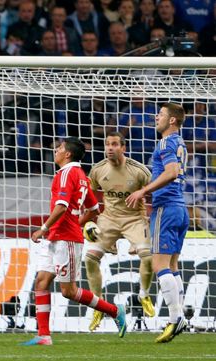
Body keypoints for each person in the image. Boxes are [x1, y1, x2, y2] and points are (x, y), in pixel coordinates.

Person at [24, 137, 126, 346]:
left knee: (68, 291)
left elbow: (61, 206)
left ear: (67, 154)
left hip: (66, 239)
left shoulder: (66, 174)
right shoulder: (81, 176)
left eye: (59, 148)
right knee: (41, 282)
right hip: (59, 236)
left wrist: (43, 229)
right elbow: (94, 209)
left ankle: (115, 311)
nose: (56, 150)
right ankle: (44, 335)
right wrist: (75, 222)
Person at [126, 103, 190, 343]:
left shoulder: (165, 142)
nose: (156, 117)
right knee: (172, 266)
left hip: (166, 207)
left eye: (161, 114)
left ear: (172, 120)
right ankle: (180, 316)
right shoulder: (181, 143)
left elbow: (172, 172)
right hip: (180, 208)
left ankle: (175, 319)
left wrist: (144, 191)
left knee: (159, 265)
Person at [85, 132, 154, 332]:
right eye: (107, 144)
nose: (110, 148)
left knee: (147, 257)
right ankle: (97, 305)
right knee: (90, 258)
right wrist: (88, 221)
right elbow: (88, 197)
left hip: (134, 219)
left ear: (123, 148)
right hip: (109, 219)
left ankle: (143, 295)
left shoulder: (138, 170)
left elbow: (155, 190)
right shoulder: (98, 170)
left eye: (114, 144)